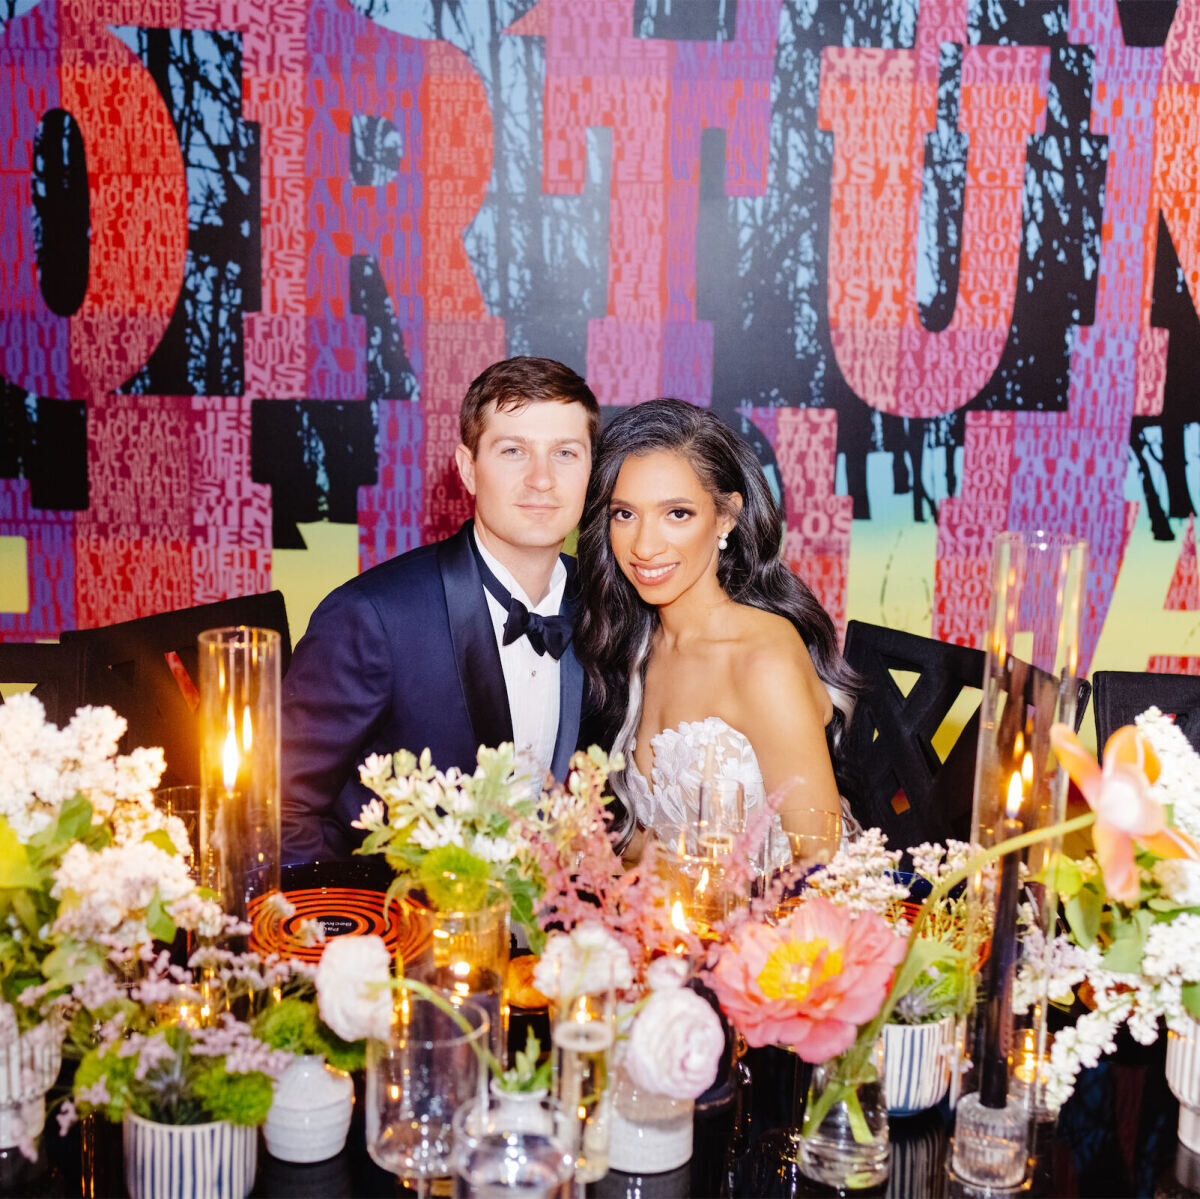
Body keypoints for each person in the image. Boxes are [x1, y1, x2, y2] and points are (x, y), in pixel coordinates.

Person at [281, 356, 600, 863]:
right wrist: (372, 927)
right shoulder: (371, 619)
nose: (542, 479)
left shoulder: (607, 606)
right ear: (468, 469)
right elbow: (281, 810)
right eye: (513, 450)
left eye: (565, 452)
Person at [575, 398, 860, 863]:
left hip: (781, 926)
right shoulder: (638, 643)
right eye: (624, 514)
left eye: (677, 514)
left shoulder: (762, 660)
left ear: (726, 516)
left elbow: (820, 869)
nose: (645, 546)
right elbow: (652, 845)